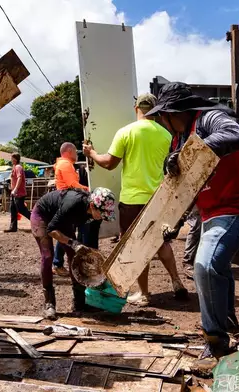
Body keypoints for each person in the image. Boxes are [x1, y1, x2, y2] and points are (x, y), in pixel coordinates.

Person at [146, 82, 239, 359]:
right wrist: (173, 221)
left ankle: (215, 338)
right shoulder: (178, 137)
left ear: (175, 112)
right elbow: (182, 184)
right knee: (218, 267)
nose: (162, 121)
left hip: (237, 207)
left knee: (205, 265)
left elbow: (235, 135)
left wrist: (192, 152)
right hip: (210, 212)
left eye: (163, 116)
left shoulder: (209, 119)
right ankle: (229, 320)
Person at [83, 93, 188, 307]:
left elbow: (109, 163)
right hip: (158, 197)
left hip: (132, 199)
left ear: (136, 108)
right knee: (161, 242)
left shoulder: (126, 132)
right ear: (155, 110)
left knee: (137, 247)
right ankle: (177, 282)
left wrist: (91, 153)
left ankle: (144, 293)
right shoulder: (166, 135)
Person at [32, 187, 116, 319]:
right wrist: (73, 243)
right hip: (43, 215)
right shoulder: (73, 204)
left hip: (62, 219)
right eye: (102, 213)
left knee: (75, 257)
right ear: (92, 205)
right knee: (48, 256)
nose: (103, 217)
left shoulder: (95, 215)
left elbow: (92, 243)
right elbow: (51, 230)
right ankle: (49, 302)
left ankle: (80, 303)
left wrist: (91, 259)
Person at [52, 142, 89, 277]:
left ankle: (59, 263)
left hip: (66, 201)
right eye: (75, 151)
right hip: (67, 202)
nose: (76, 154)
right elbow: (73, 185)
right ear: (68, 151)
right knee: (65, 233)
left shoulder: (63, 164)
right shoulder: (66, 165)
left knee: (66, 232)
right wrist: (89, 191)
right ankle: (58, 264)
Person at [4, 153, 32, 233]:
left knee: (22, 210)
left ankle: (36, 222)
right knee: (13, 210)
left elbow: (20, 178)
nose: (11, 160)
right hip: (14, 193)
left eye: (12, 158)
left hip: (19, 193)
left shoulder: (18, 167)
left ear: (15, 159)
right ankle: (13, 227)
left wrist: (16, 189)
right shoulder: (14, 167)